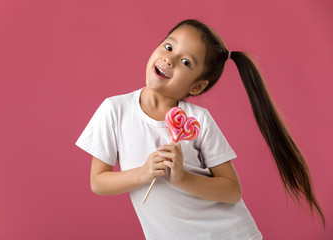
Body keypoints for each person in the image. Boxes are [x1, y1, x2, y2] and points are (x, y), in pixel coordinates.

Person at [75, 19, 325, 239]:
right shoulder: (114, 110)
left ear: (197, 87)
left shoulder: (197, 120)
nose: (169, 59)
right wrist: (144, 172)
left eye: (185, 62)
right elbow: (98, 182)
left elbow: (232, 191)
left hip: (230, 234)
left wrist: (182, 177)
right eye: (169, 46)